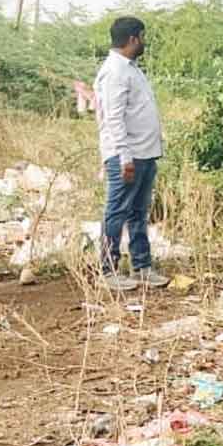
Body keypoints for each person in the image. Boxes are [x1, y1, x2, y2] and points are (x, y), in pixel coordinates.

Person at [93, 16, 168, 291]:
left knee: (138, 212)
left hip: (144, 153)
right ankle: (109, 270)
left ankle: (142, 266)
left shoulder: (130, 68)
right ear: (133, 39)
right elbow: (113, 118)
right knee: (116, 211)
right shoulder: (115, 71)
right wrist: (124, 157)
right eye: (143, 37)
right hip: (127, 155)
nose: (144, 42)